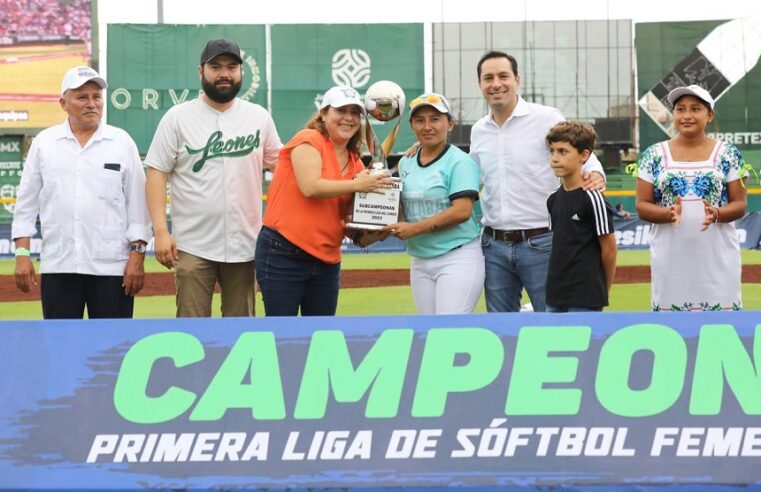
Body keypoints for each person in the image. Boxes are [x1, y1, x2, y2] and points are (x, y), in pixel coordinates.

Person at [144, 39, 282, 317]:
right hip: (192, 245)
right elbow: (157, 173)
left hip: (246, 243)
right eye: (216, 66)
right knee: (192, 332)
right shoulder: (177, 117)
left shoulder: (258, 117)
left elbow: (284, 168)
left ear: (241, 73)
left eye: (232, 67)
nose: (224, 73)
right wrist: (160, 231)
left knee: (241, 333)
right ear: (200, 71)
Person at [470, 50, 607, 313]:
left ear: (517, 80)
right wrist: (426, 149)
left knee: (550, 327)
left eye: (503, 76)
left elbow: (579, 149)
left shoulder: (545, 117)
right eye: (488, 78)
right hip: (493, 246)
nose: (496, 83)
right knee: (501, 334)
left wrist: (597, 173)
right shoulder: (479, 130)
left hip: (542, 242)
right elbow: (468, 173)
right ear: (480, 84)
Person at [11, 66, 151, 319]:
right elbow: (26, 205)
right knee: (61, 347)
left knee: (112, 350)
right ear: (63, 103)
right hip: (59, 264)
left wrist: (137, 256)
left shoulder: (121, 142)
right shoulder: (44, 143)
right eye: (82, 97)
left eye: (96, 97)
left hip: (111, 268)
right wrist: (22, 253)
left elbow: (138, 208)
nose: (91, 104)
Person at [255, 86, 391, 316]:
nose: (348, 118)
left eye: (354, 112)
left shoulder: (355, 163)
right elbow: (311, 187)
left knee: (321, 336)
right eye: (341, 110)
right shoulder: (308, 139)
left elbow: (346, 217)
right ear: (324, 113)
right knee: (281, 335)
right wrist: (358, 184)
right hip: (284, 251)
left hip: (327, 259)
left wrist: (374, 230)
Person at [636, 85, 747, 311]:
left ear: (710, 115)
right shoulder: (652, 155)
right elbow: (642, 206)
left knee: (721, 330)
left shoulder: (730, 154)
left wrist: (717, 213)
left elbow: (740, 204)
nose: (686, 115)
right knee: (672, 331)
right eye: (680, 109)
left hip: (718, 260)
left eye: (695, 109)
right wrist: (667, 213)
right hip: (670, 261)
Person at [385, 93, 483, 314]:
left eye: (435, 119)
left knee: (448, 332)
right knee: (430, 333)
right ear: (412, 126)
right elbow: (403, 210)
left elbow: (462, 211)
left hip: (457, 256)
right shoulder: (406, 161)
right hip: (420, 259)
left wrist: (413, 229)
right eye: (420, 120)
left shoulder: (460, 161)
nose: (427, 126)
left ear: (450, 124)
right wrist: (378, 221)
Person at [545, 121, 617, 312]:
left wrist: (604, 290)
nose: (554, 158)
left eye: (563, 151)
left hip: (586, 297)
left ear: (584, 155)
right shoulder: (552, 198)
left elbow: (609, 250)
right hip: (555, 295)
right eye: (552, 151)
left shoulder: (593, 198)